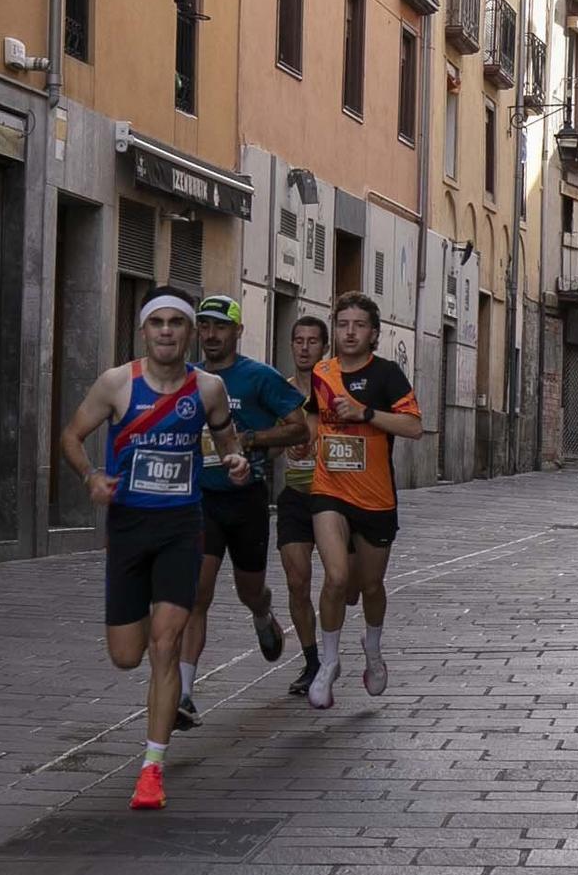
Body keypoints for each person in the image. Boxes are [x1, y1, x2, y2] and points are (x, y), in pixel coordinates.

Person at [60, 286, 251, 810]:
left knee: (166, 645)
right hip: (128, 530)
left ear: (189, 332)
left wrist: (235, 462)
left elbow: (227, 440)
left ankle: (151, 768)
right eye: (157, 323)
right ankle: (144, 622)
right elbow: (71, 436)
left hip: (180, 529)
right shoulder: (117, 384)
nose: (167, 330)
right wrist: (90, 476)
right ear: (144, 331)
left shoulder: (207, 388)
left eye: (176, 322)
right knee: (127, 656)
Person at [175, 295, 308, 728]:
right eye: (205, 326)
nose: (211, 335)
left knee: (250, 588)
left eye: (220, 327)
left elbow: (298, 426)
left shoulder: (259, 378)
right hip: (200, 499)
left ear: (237, 332)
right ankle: (186, 693)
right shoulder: (185, 378)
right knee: (196, 592)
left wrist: (251, 440)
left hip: (246, 499)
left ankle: (262, 614)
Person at [306, 292, 421, 711]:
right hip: (329, 491)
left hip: (375, 499)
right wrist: (308, 438)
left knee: (370, 585)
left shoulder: (387, 374)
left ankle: (372, 650)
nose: (349, 332)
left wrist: (365, 413)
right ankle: (329, 662)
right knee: (336, 578)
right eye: (342, 324)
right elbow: (313, 414)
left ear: (374, 333)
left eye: (358, 325)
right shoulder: (321, 371)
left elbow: (413, 427)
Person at [275, 313, 331, 697]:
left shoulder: (336, 390)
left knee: (344, 584)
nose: (305, 347)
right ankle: (313, 662)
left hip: (335, 497)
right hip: (295, 494)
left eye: (313, 341)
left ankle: (329, 651)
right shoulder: (279, 392)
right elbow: (270, 440)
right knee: (297, 582)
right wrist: (284, 442)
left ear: (324, 347)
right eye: (299, 340)